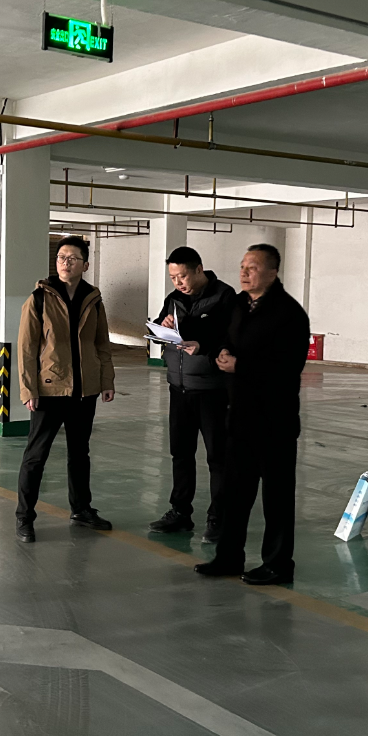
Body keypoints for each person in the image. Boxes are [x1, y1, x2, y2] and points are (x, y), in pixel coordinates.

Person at [194, 244, 308, 585]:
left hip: (275, 420)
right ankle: (229, 557)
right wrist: (220, 352)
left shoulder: (289, 313)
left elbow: (288, 367)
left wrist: (240, 366)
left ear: (272, 272)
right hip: (240, 416)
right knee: (235, 493)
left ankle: (278, 564)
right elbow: (223, 338)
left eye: (253, 267)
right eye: (243, 266)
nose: (244, 272)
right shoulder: (240, 305)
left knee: (276, 497)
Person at [14, 235, 116, 543]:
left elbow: (101, 343)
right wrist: (28, 389)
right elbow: (26, 348)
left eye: (72, 258)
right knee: (36, 455)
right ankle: (24, 516)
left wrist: (106, 381)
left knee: (80, 453)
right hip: (49, 390)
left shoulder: (93, 300)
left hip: (85, 390)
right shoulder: (39, 299)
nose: (65, 263)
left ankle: (81, 509)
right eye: (61, 257)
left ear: (85, 264)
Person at [148, 246, 237, 541]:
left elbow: (232, 337)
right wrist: (162, 326)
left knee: (218, 458)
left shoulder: (225, 297)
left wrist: (204, 345)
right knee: (181, 454)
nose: (178, 283)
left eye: (182, 276)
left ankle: (219, 518)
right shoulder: (173, 299)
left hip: (213, 390)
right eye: (173, 277)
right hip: (179, 388)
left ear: (199, 269)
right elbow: (161, 333)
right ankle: (180, 512)